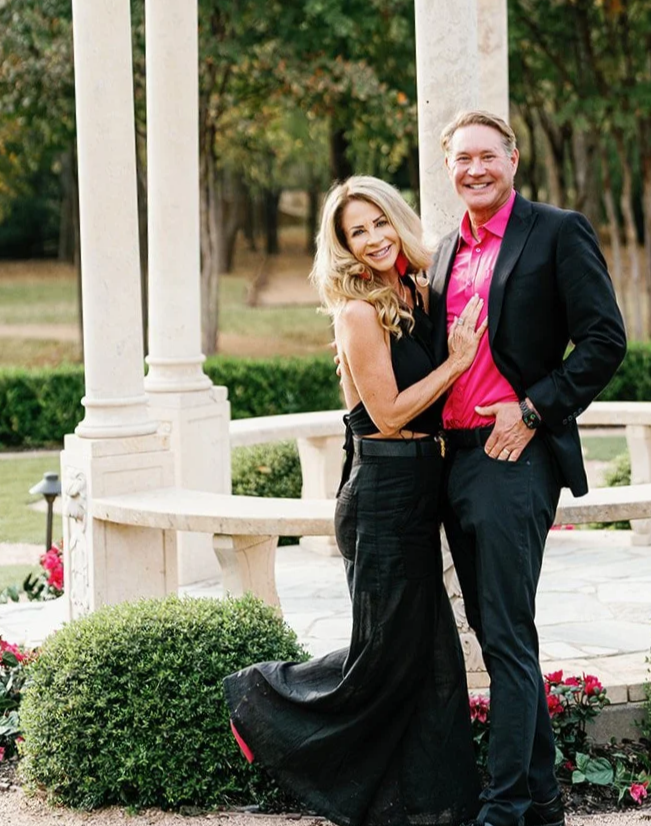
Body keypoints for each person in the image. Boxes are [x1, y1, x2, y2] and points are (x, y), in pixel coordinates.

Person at [225, 175, 487, 826]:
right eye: (356, 231)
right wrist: (456, 362)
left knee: (430, 657)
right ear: (341, 246)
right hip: (381, 492)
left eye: (378, 223)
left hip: (419, 491)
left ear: (399, 221)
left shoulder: (416, 295)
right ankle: (258, 700)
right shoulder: (358, 311)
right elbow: (391, 413)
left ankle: (437, 805)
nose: (372, 238)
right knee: (383, 654)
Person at [430, 111, 627, 826]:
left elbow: (604, 339)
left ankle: (504, 805)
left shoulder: (555, 230)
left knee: (507, 631)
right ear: (447, 166)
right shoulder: (443, 247)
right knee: (494, 631)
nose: (473, 168)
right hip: (449, 459)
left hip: (512, 455)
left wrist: (535, 408)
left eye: (486, 155)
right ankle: (541, 801)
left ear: (512, 158)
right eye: (460, 158)